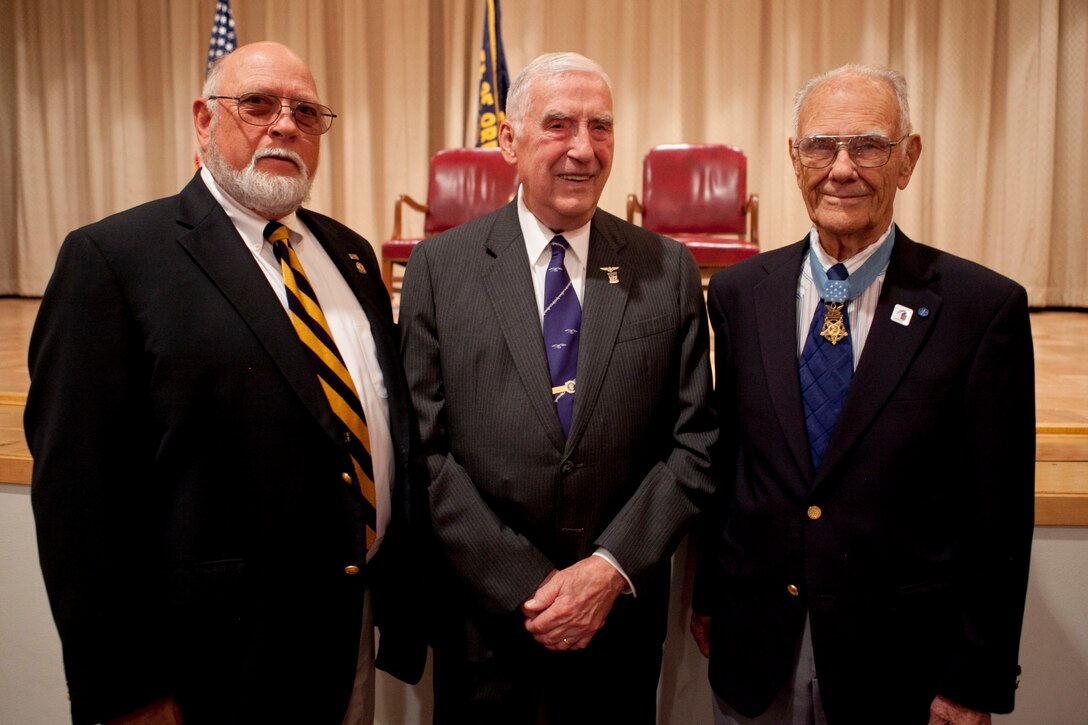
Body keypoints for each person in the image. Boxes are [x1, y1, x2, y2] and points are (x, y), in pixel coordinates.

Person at [25, 41, 425, 725]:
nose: (284, 124)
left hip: (348, 631)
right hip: (211, 664)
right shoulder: (113, 260)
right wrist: (128, 694)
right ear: (203, 121)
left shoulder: (349, 254)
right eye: (257, 104)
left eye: (305, 110)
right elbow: (79, 504)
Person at [690, 64, 1035, 725]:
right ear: (794, 160)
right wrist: (711, 598)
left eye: (869, 146)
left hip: (904, 671)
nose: (841, 168)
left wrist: (974, 678)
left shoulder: (981, 310)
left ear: (908, 159)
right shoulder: (738, 296)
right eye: (820, 145)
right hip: (757, 654)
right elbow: (730, 461)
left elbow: (999, 517)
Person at [398, 52, 717, 724]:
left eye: (600, 127)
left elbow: (694, 444)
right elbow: (423, 451)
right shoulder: (439, 267)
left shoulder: (669, 270)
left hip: (618, 629)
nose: (583, 149)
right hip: (485, 627)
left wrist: (607, 569)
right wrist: (527, 584)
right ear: (509, 141)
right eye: (559, 125)